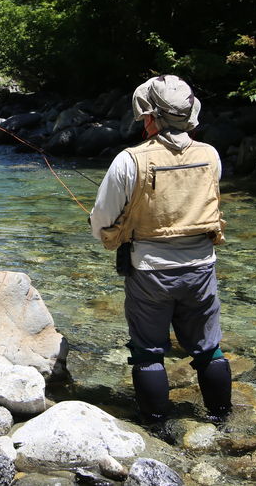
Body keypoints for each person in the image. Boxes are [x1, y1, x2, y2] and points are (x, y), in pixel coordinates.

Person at [90, 75, 232, 424]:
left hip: (149, 272)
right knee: (208, 349)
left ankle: (157, 426)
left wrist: (107, 233)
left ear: (150, 116)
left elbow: (102, 219)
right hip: (201, 268)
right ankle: (222, 420)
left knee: (148, 352)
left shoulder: (129, 160)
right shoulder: (210, 155)